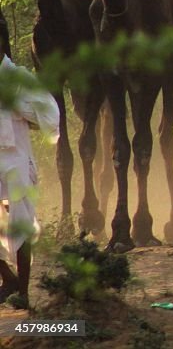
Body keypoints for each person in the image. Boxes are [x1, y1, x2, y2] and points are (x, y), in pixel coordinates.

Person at [0, 17, 59, 308]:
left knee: (22, 224)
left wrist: (19, 108)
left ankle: (22, 292)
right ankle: (7, 278)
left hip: (16, 160)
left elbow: (49, 116)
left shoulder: (20, 78)